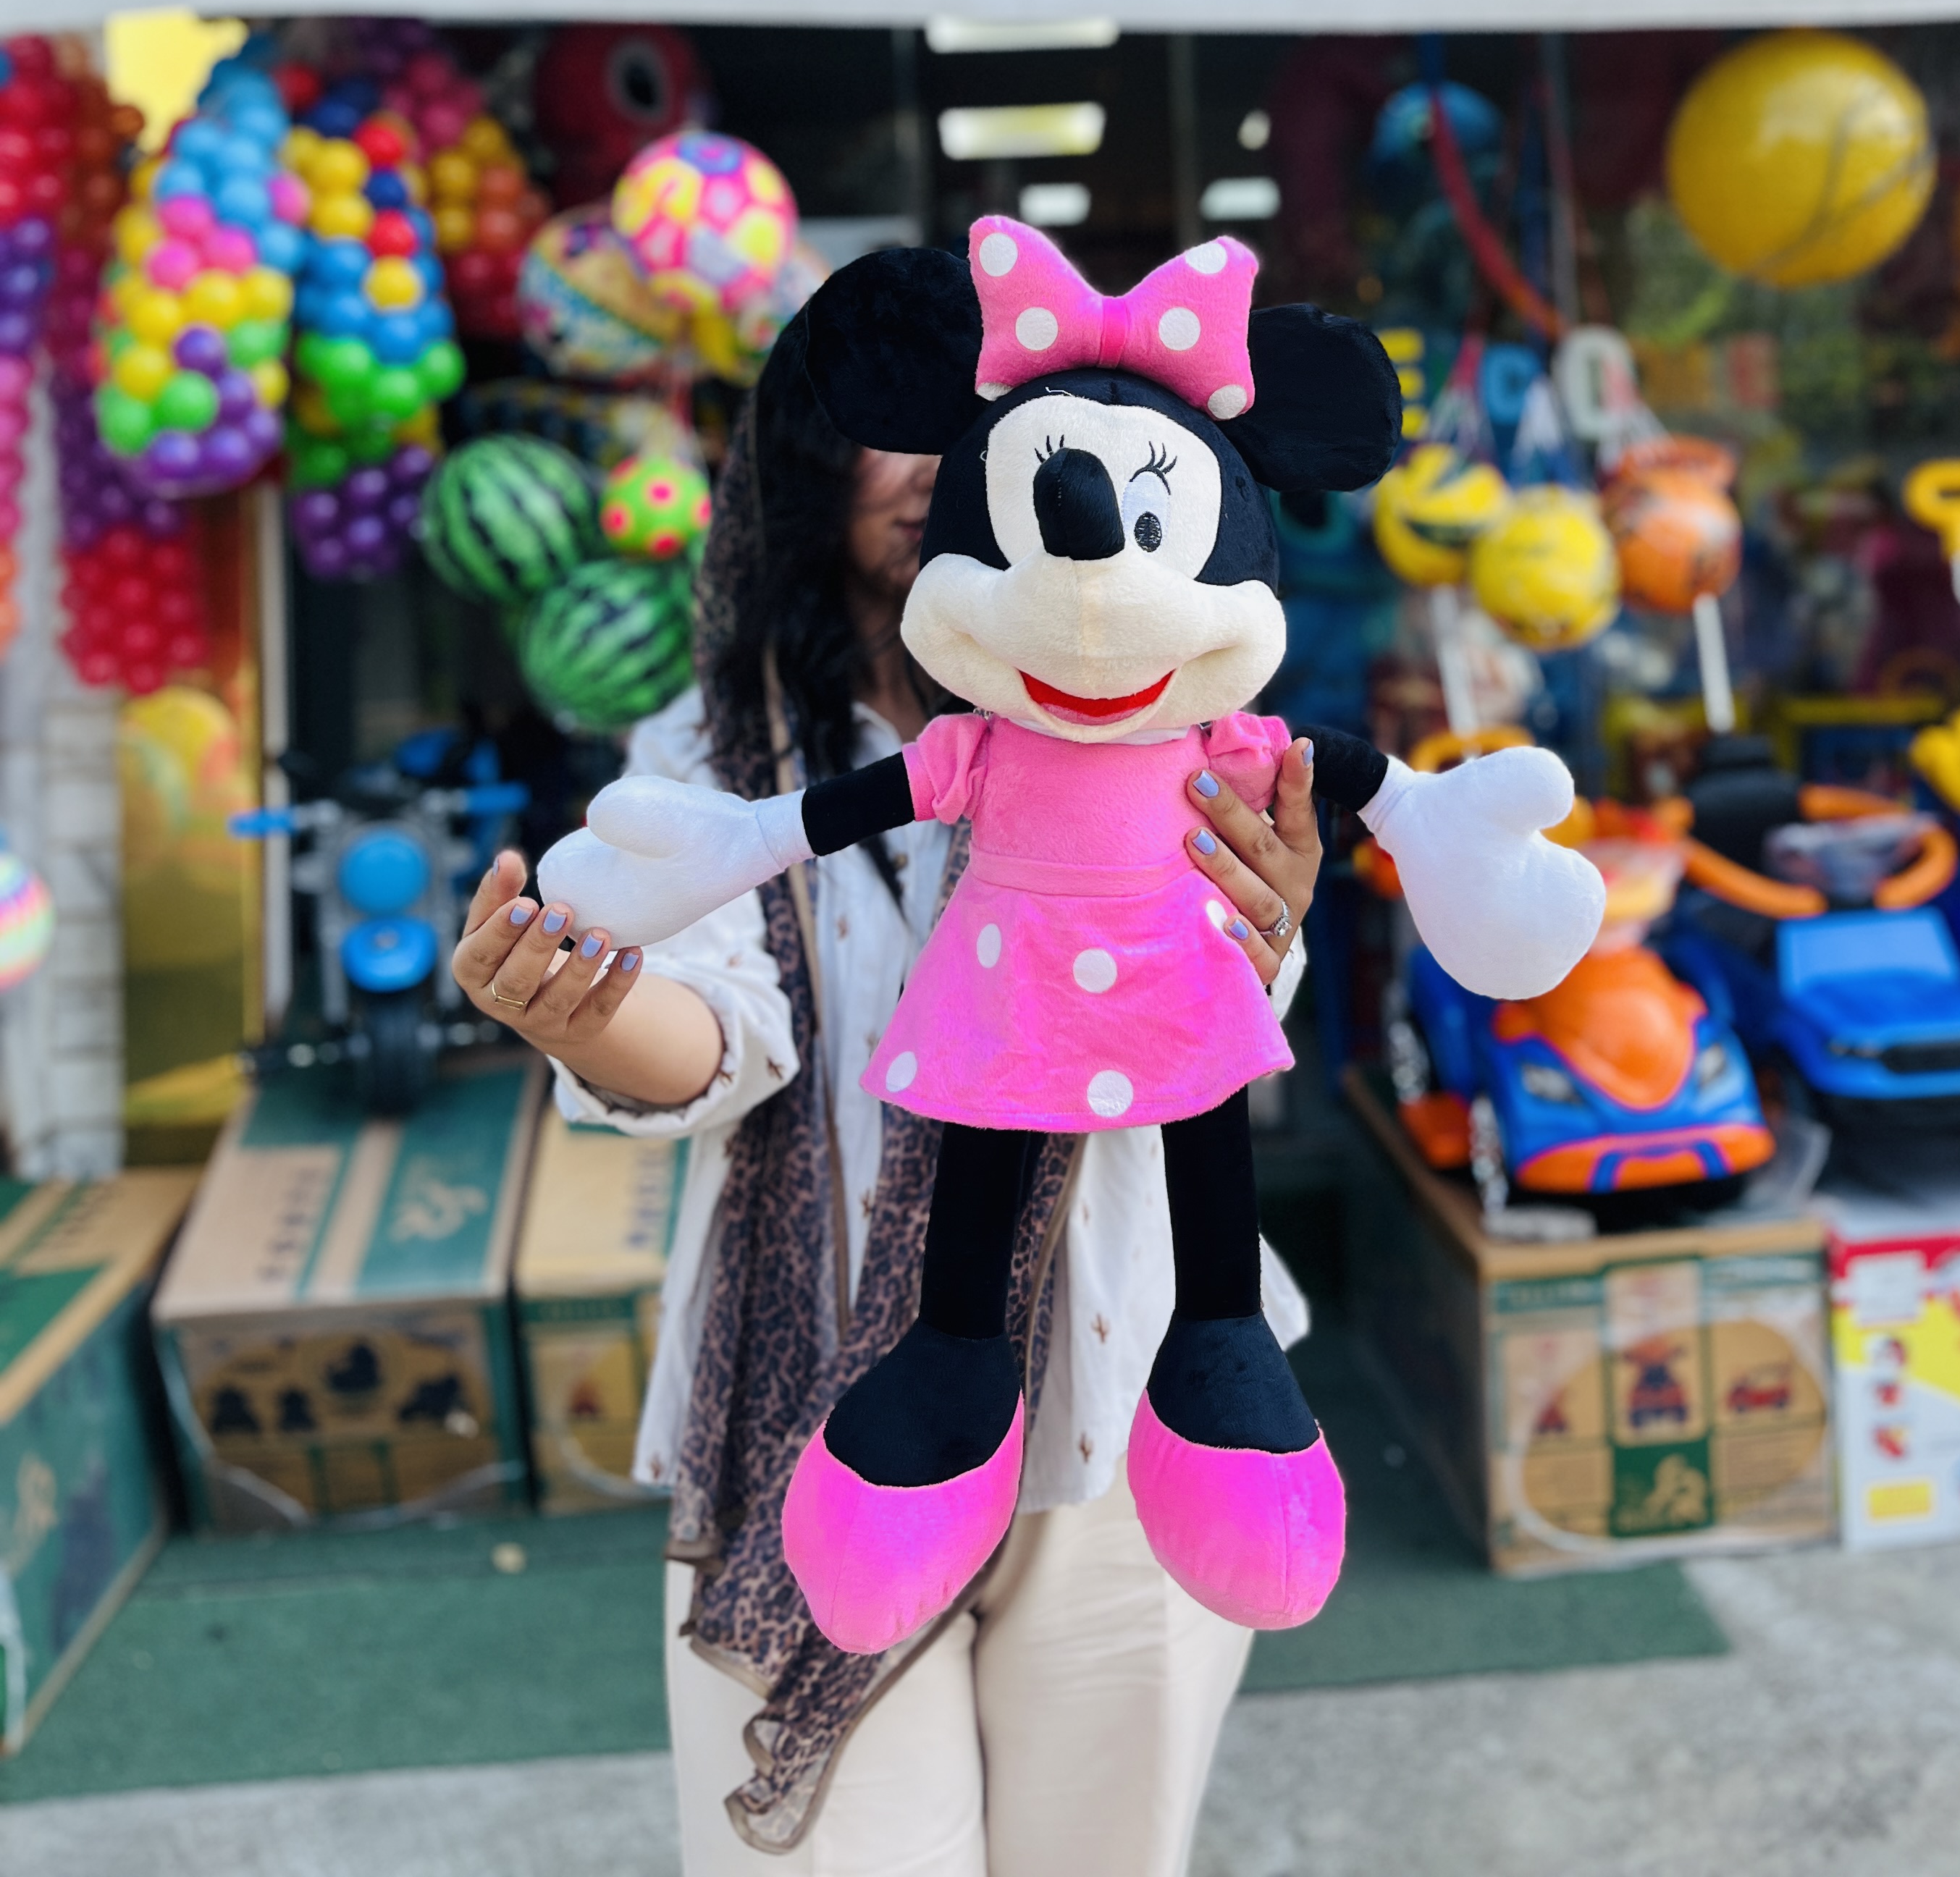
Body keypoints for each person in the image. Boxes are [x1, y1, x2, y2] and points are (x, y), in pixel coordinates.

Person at [453, 319, 1324, 1875]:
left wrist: (1269, 920)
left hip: (1135, 1409)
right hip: (825, 1428)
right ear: (806, 462)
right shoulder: (715, 755)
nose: (950, 457)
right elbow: (720, 1034)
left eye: (1002, 414)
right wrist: (584, 1009)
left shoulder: (1184, 724)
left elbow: (1223, 1017)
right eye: (905, 419)